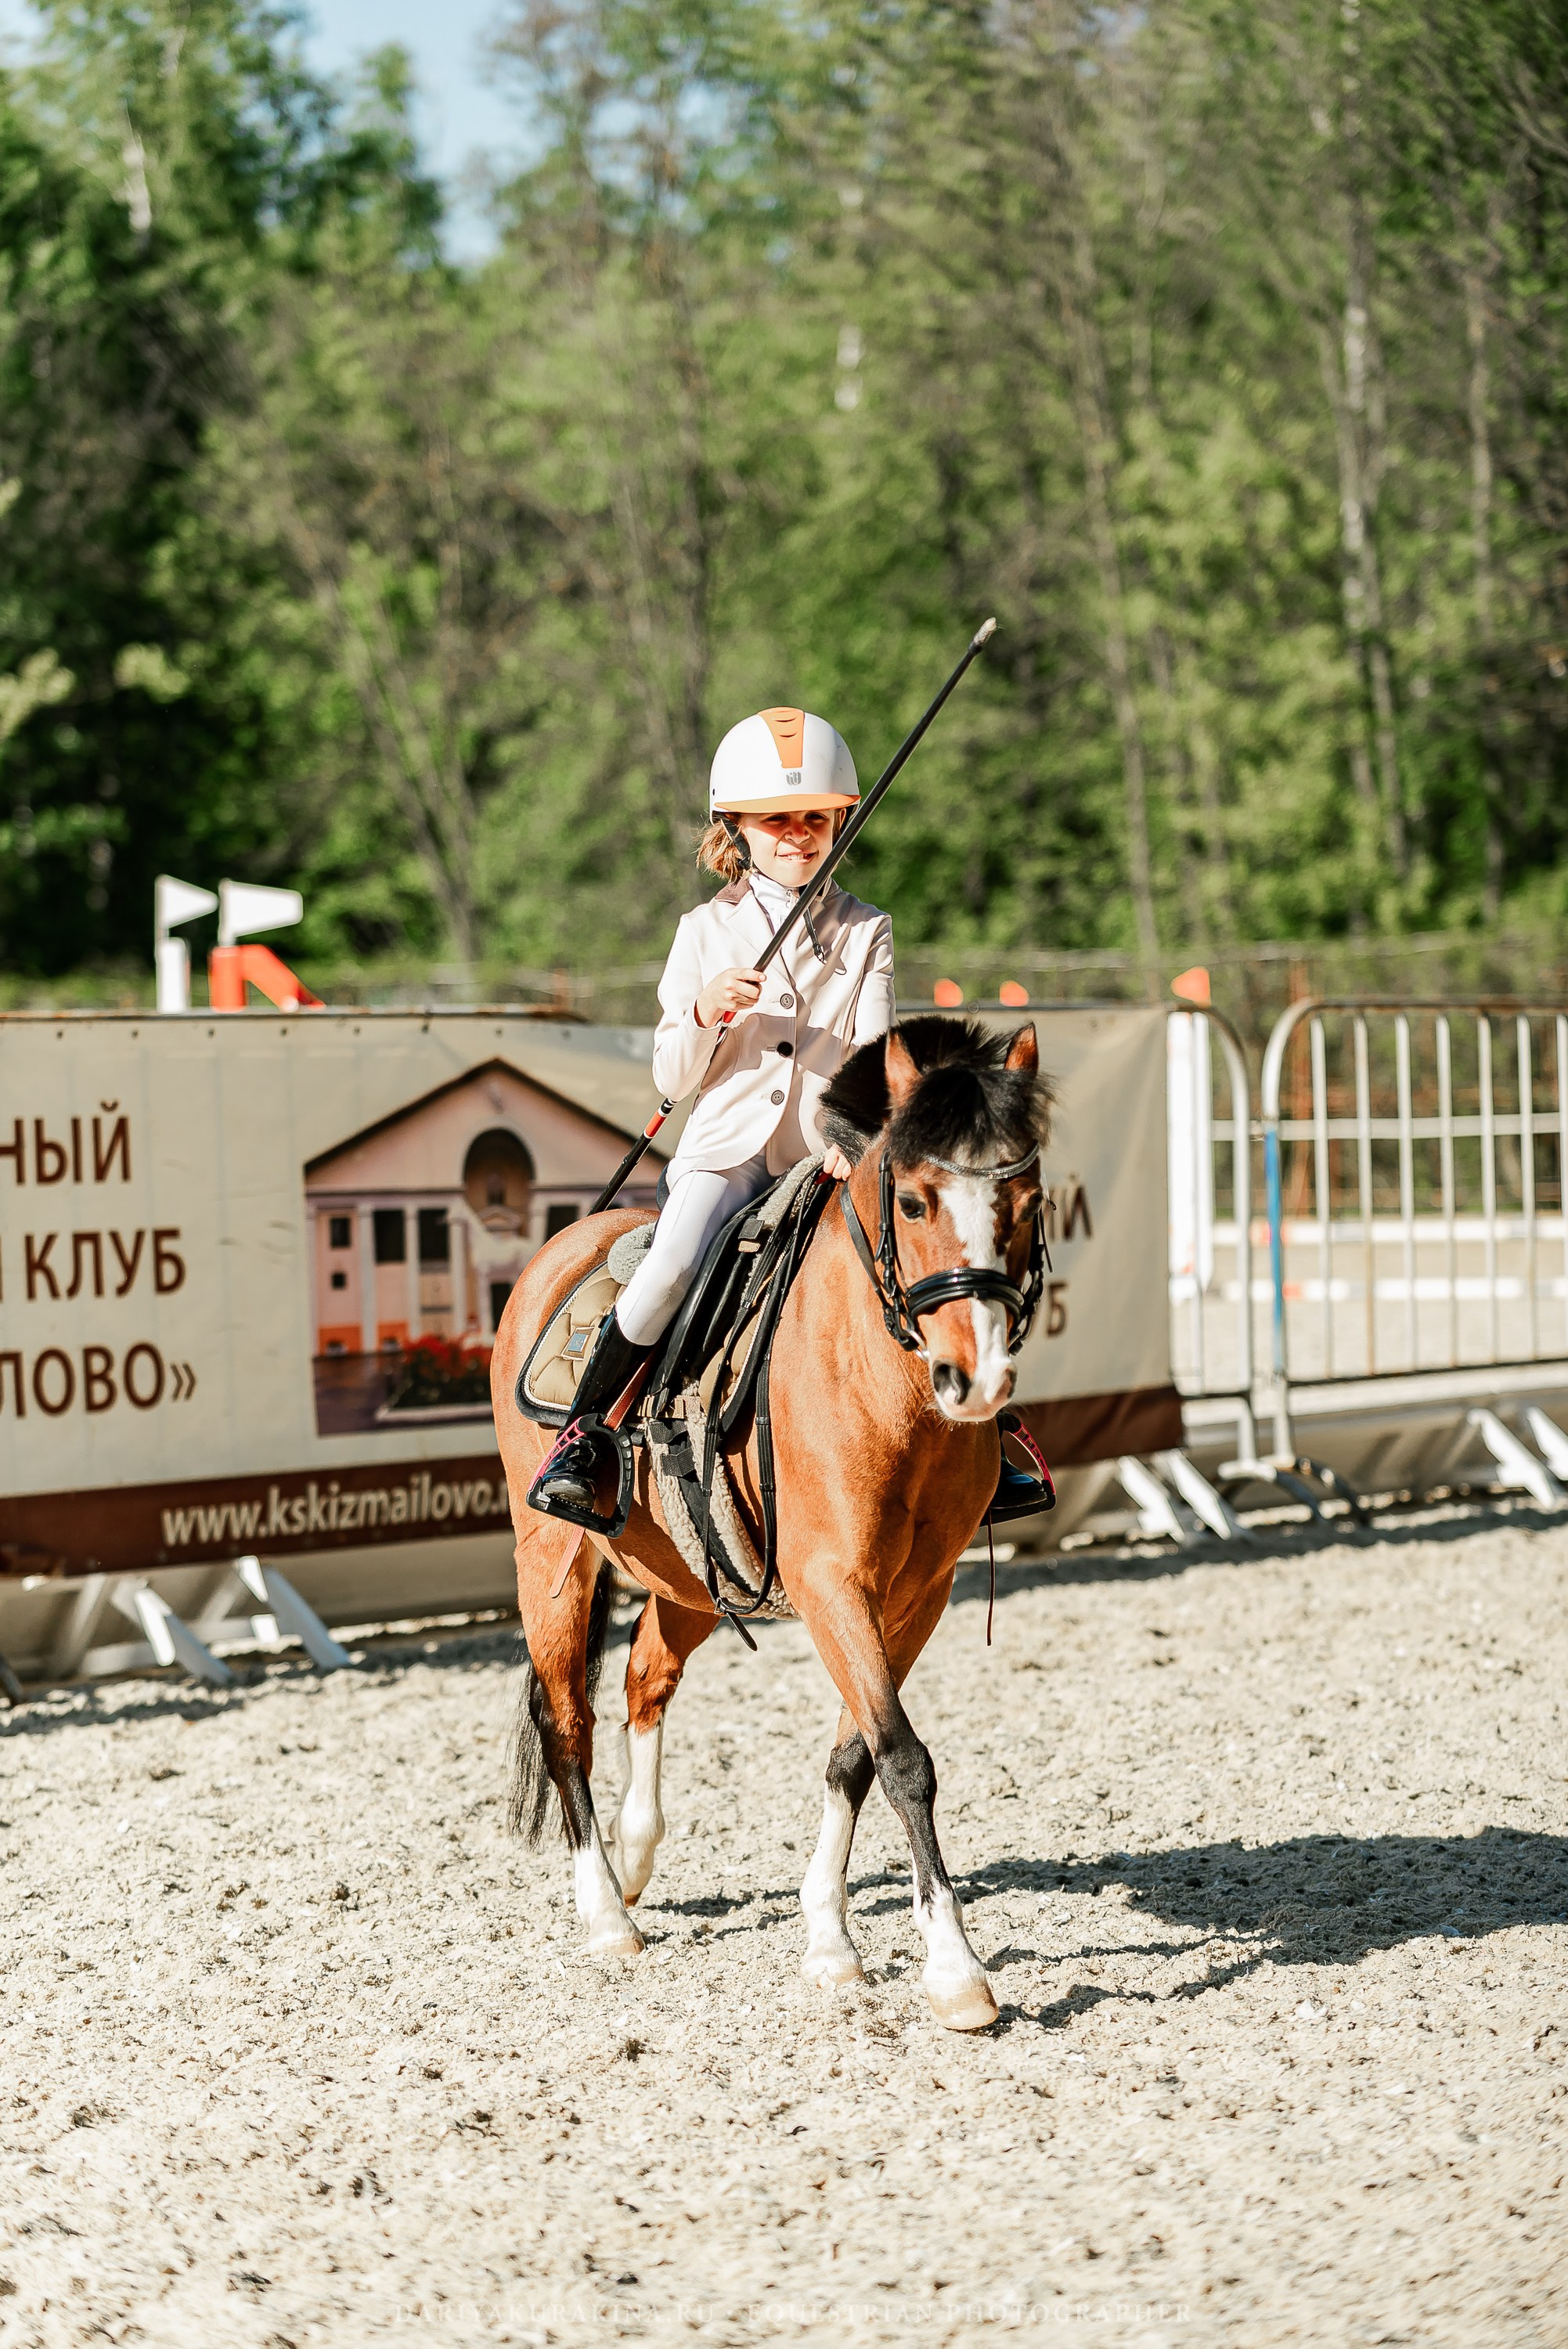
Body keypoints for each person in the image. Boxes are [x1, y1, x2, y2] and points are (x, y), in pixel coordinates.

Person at [532, 702, 1045, 1521]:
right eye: (775, 821)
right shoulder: (702, 931)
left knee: (916, 1257)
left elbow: (871, 1043)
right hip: (727, 1153)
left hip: (827, 1153)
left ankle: (982, 1434)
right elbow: (670, 1071)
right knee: (667, 1267)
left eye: (815, 818)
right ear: (734, 826)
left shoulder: (865, 928)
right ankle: (585, 1438)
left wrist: (852, 1132)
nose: (797, 835)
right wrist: (705, 1013)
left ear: (840, 821)